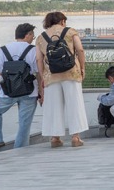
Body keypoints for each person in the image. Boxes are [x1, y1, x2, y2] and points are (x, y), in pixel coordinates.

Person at [37, 11, 88, 148]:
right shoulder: (70, 32)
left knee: (53, 106)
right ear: (62, 21)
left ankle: (55, 138)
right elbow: (80, 50)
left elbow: (38, 59)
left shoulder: (41, 37)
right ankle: (76, 137)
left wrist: (42, 76)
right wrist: (82, 68)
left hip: (51, 75)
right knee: (74, 103)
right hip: (71, 73)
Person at [0, 23, 39, 151]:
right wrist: (41, 92)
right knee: (24, 122)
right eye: (33, 35)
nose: (33, 38)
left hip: (7, 91)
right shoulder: (34, 50)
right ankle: (20, 148)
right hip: (29, 91)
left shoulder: (3, 49)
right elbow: (39, 73)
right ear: (28, 35)